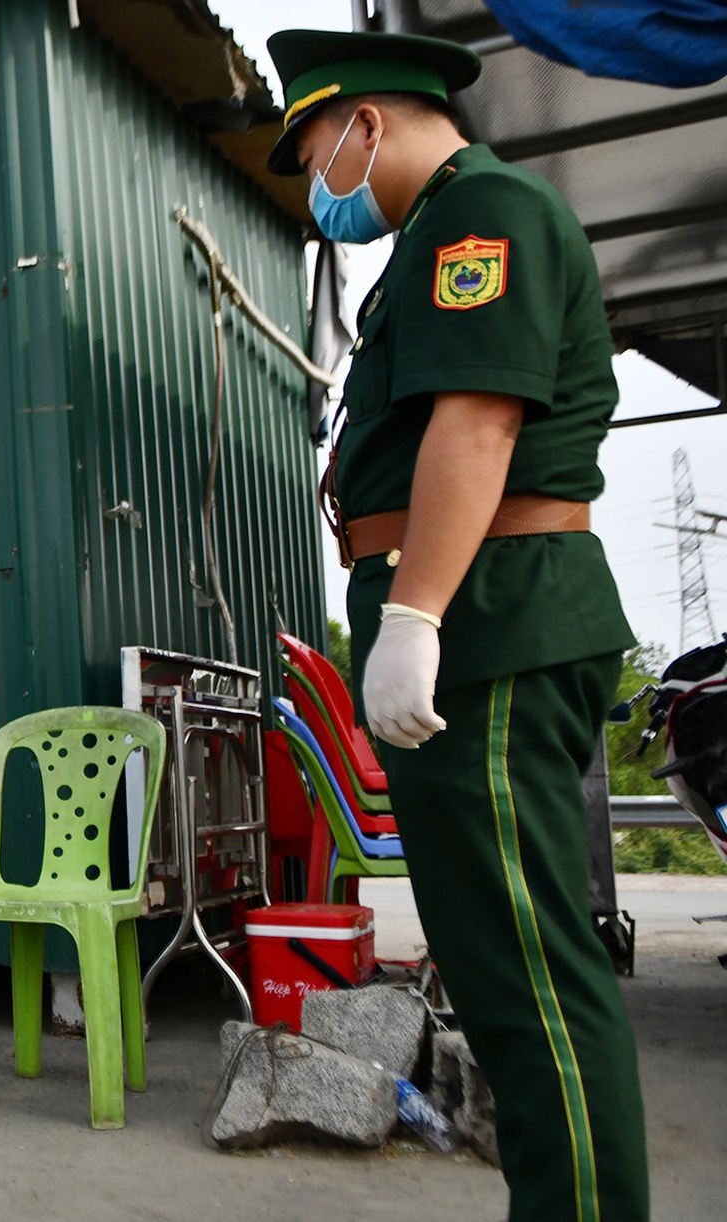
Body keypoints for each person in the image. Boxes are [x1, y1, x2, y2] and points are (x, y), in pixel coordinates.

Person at [266, 29, 648, 1222]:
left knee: (530, 976)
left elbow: (476, 425)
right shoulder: (433, 239)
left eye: (315, 146)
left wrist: (416, 611)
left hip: (488, 621)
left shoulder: (485, 216)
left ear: (367, 121)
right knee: (496, 970)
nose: (317, 180)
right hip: (473, 622)